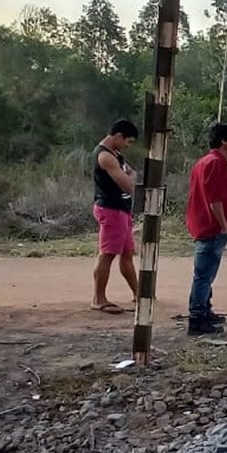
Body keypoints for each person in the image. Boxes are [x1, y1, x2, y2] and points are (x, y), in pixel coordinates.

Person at [185, 123, 227, 336]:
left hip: (204, 224)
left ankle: (205, 310)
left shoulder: (206, 162)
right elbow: (214, 198)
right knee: (204, 274)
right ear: (224, 141)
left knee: (206, 273)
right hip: (210, 227)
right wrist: (224, 224)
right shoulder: (215, 163)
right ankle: (197, 318)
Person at [90, 119, 140, 314]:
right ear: (118, 136)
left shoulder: (115, 154)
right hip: (110, 209)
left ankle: (138, 293)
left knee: (127, 253)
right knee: (108, 254)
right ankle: (98, 298)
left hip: (122, 209)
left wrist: (130, 177)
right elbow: (128, 183)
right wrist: (131, 178)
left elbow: (130, 174)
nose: (128, 146)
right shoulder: (105, 156)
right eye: (128, 141)